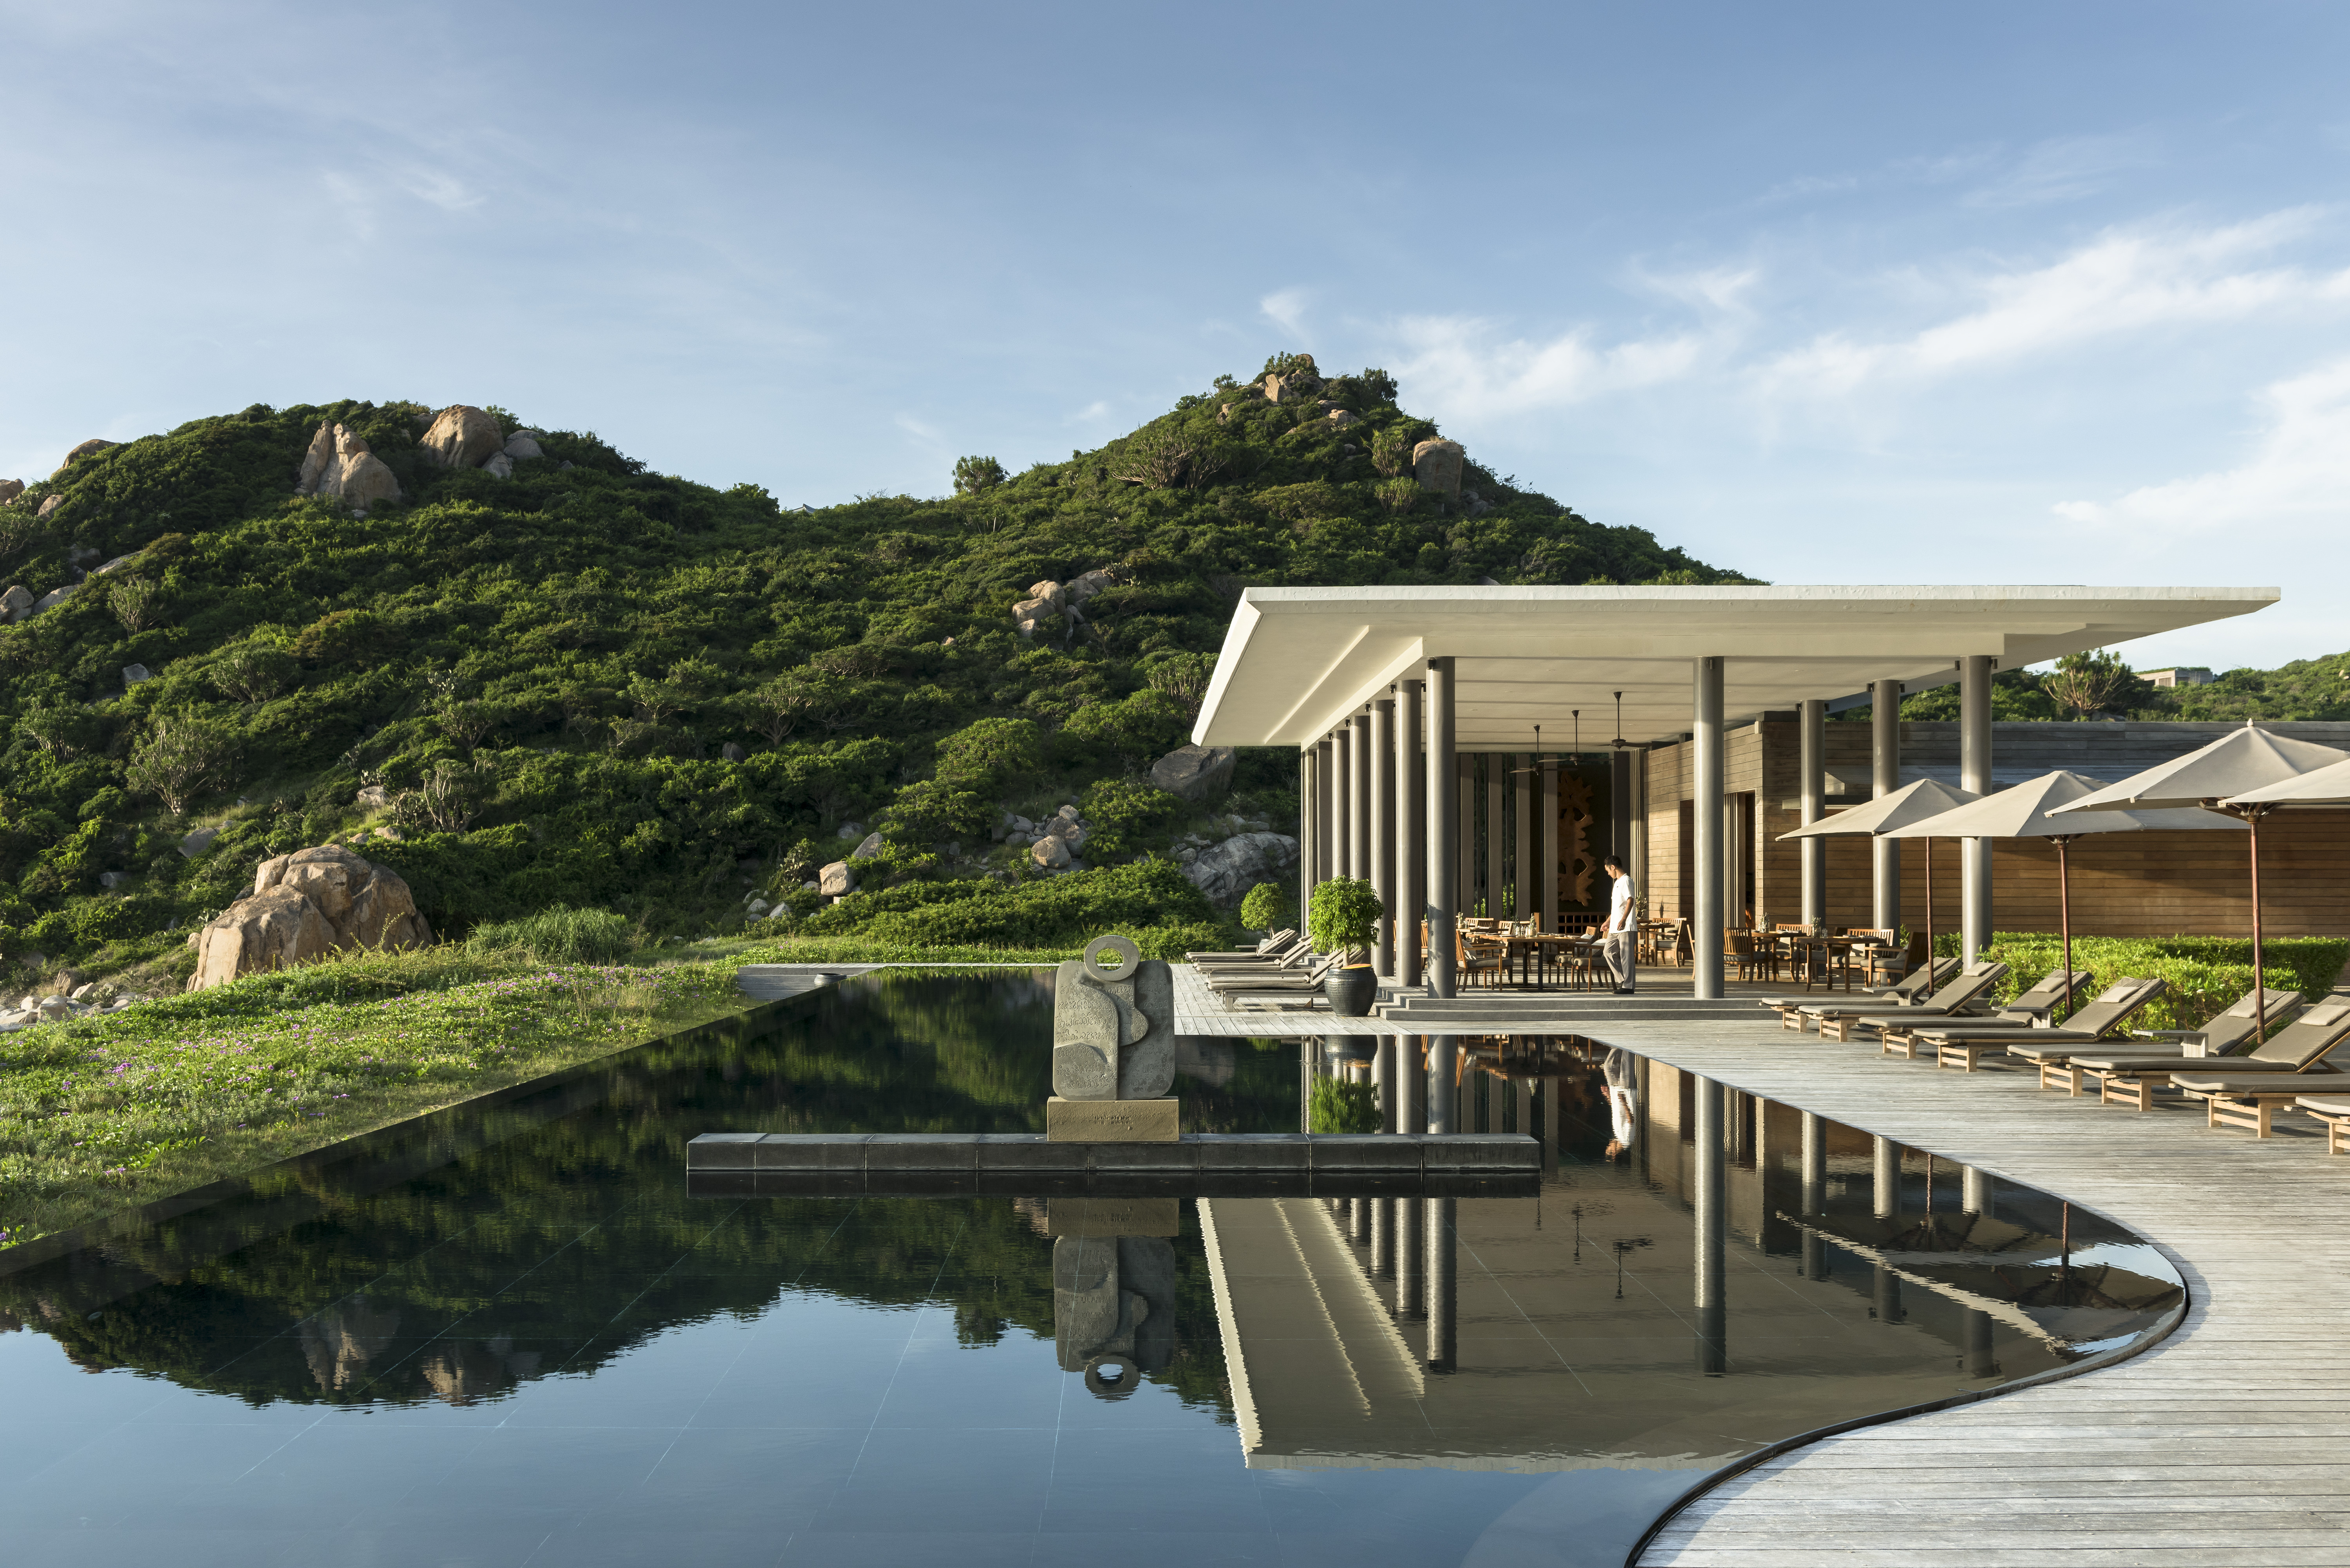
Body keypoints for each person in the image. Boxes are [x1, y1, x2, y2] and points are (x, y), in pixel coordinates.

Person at [1601, 853, 1637, 994]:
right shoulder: (1617, 883)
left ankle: (1628, 987)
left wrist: (1623, 920)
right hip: (1615, 928)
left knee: (1626, 957)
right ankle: (1624, 981)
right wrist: (1608, 921)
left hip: (1626, 927)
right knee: (1608, 952)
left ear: (1613, 867)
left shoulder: (1627, 881)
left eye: (1608, 871)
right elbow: (1617, 907)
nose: (1609, 874)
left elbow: (1631, 900)